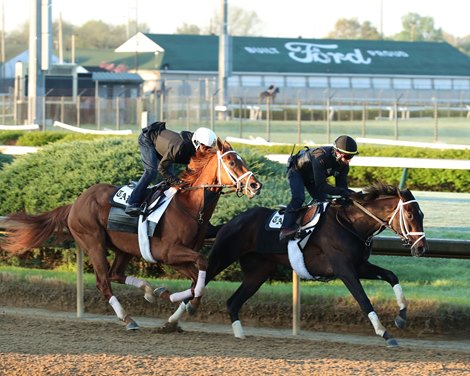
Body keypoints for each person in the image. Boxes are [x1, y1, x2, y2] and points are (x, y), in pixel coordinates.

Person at [125, 122, 217, 217]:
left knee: (171, 183)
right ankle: (132, 203)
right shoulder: (180, 147)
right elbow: (162, 168)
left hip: (165, 148)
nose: (207, 151)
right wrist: (178, 182)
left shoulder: (196, 148)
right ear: (196, 142)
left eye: (209, 148)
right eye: (205, 147)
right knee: (151, 171)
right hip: (148, 139)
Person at [279, 135, 359, 241]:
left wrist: (352, 196)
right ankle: (285, 229)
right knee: (299, 198)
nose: (349, 161)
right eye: (347, 157)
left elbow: (342, 188)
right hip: (296, 171)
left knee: (324, 202)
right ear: (337, 152)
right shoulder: (320, 157)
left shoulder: (343, 164)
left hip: (312, 178)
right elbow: (321, 186)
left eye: (351, 157)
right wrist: (345, 192)